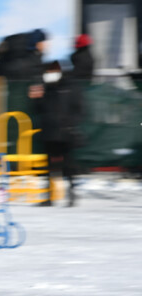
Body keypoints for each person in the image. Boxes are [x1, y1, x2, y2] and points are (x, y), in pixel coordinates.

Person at [31, 62, 85, 207]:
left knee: (67, 165)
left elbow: (79, 109)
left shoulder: (70, 87)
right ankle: (49, 196)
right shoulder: (46, 88)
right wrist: (36, 99)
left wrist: (70, 125)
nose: (49, 75)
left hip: (65, 132)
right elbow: (39, 110)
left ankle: (72, 193)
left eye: (51, 71)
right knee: (50, 167)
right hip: (49, 132)